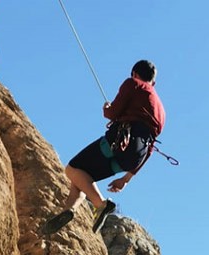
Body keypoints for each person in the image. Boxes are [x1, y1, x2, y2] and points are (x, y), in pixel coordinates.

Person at [41, 60, 166, 234]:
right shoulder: (161, 111)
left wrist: (107, 110)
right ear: (154, 81)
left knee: (71, 169)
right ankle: (68, 210)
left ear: (135, 74)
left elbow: (113, 113)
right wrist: (125, 179)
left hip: (118, 142)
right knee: (83, 177)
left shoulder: (134, 84)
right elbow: (150, 149)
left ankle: (101, 205)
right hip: (133, 157)